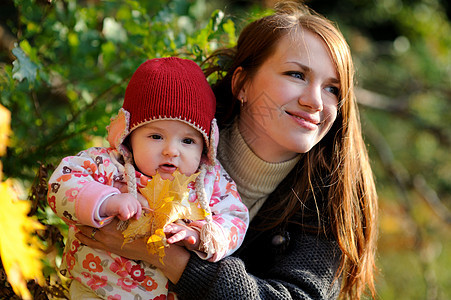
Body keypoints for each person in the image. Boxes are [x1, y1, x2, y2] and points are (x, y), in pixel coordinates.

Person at [75, 1, 378, 299]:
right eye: (296, 75)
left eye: (332, 89)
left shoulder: (330, 195)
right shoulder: (172, 131)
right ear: (241, 83)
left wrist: (171, 259)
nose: (315, 101)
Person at [47, 57, 249, 299]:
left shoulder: (209, 182)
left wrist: (201, 236)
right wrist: (108, 201)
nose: (171, 151)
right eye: (156, 136)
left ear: (206, 145)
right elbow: (62, 183)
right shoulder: (111, 165)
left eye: (187, 140)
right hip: (96, 286)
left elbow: (235, 217)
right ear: (128, 134)